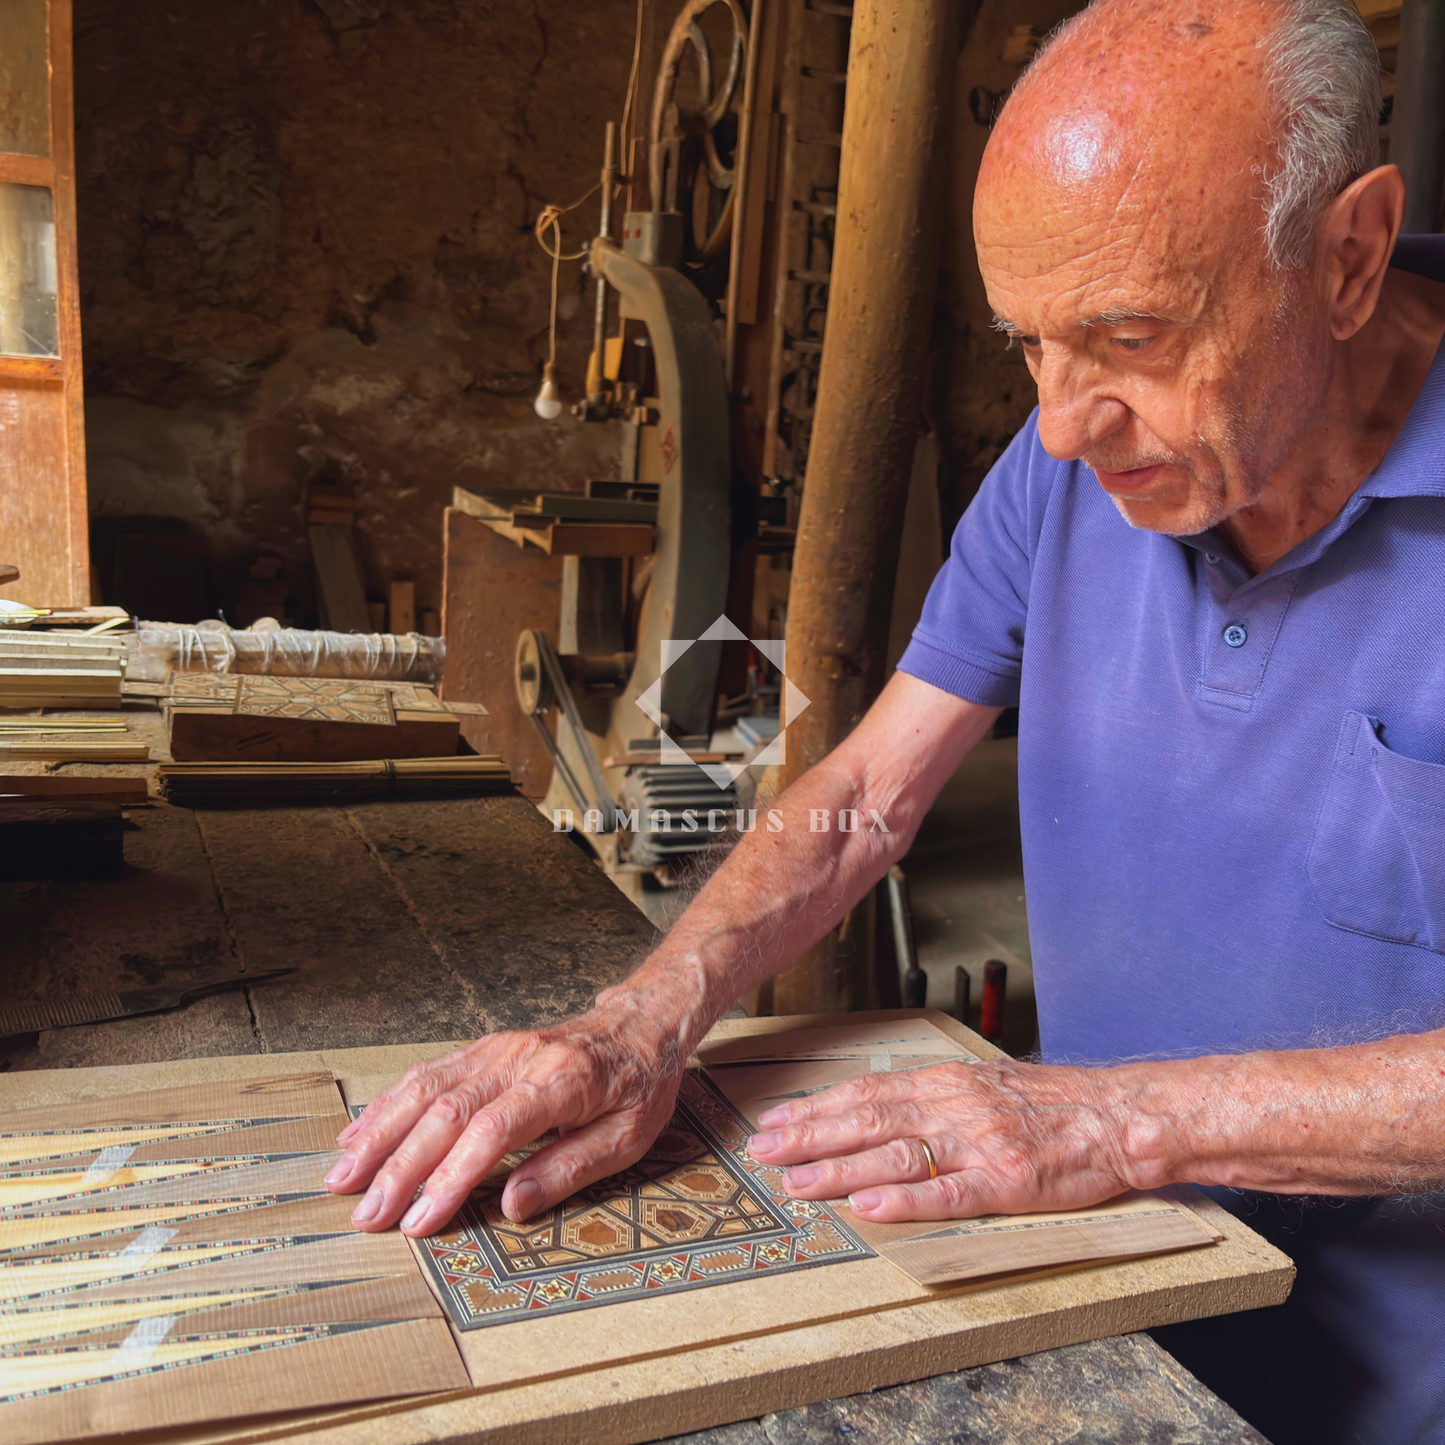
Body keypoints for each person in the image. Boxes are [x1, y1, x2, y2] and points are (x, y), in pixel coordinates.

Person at [326, 1, 1445, 1438]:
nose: (1058, 425)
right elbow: (868, 791)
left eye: (1130, 335)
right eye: (1028, 345)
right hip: (1118, 1295)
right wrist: (640, 1022)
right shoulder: (1077, 464)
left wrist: (1104, 1118)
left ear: (1348, 258)